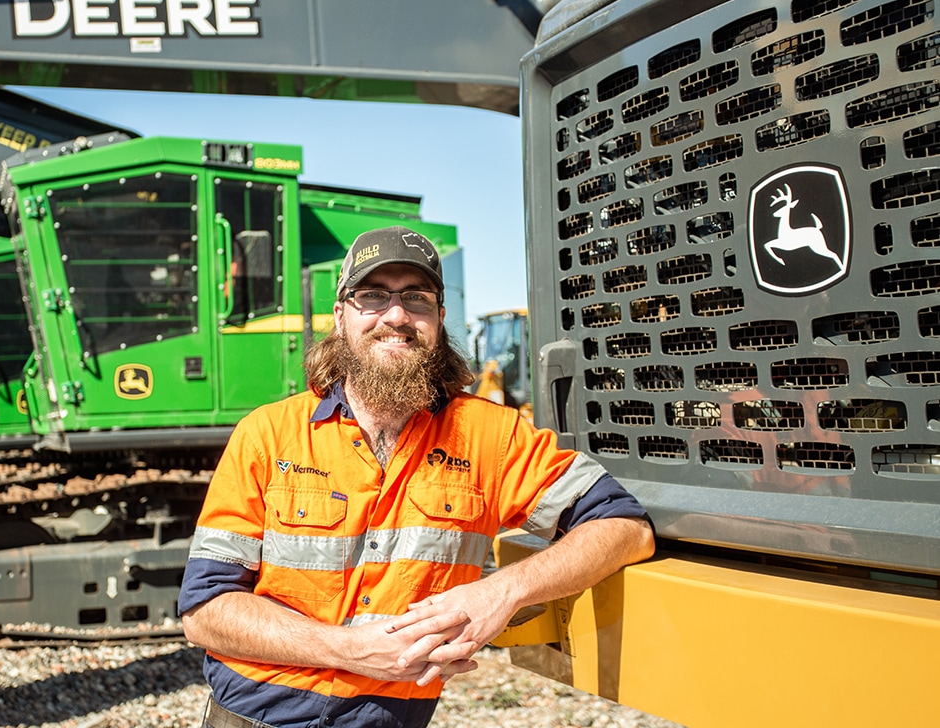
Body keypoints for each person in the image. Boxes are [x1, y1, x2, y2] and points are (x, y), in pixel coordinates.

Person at [179, 225, 655, 728]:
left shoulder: (491, 435)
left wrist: (503, 591)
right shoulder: (267, 434)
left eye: (416, 298)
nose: (397, 315)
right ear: (341, 316)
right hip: (249, 716)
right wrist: (346, 650)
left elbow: (626, 526)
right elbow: (205, 611)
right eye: (373, 296)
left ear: (440, 318)